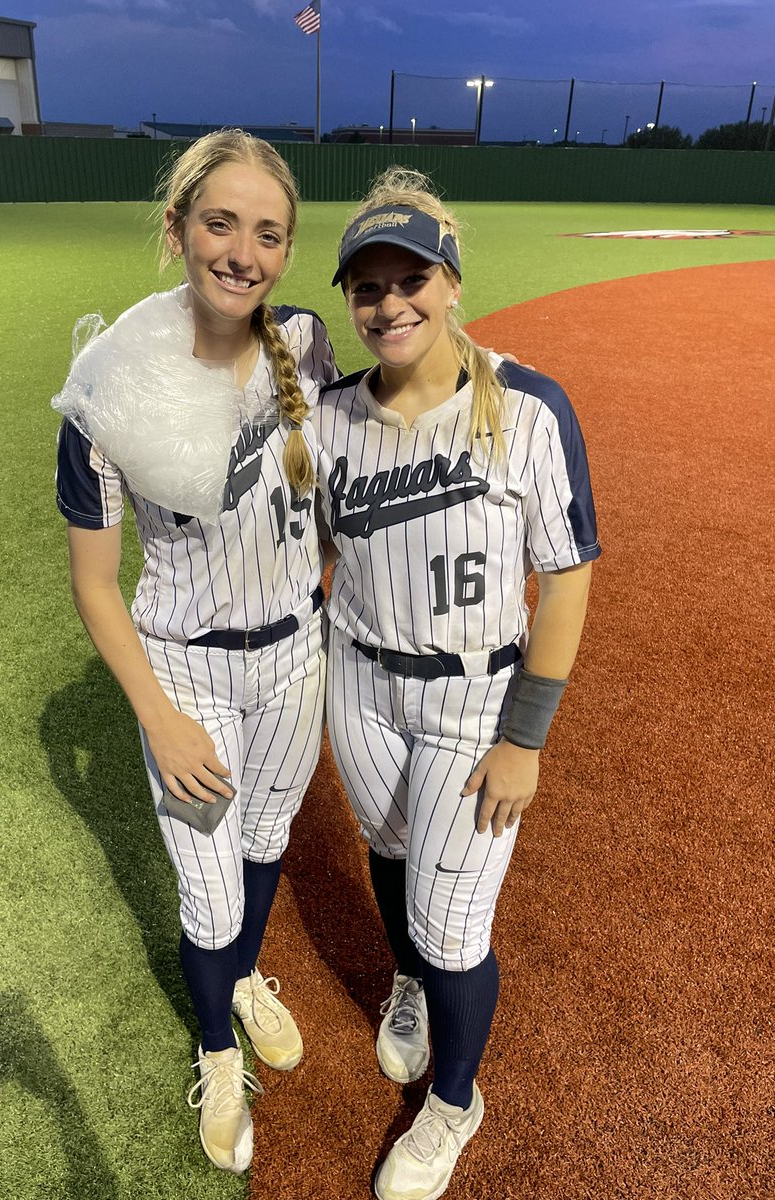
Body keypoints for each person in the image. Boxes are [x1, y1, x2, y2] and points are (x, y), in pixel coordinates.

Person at [53, 129, 337, 1175]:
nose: (244, 251)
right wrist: (157, 717)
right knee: (208, 893)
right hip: (185, 662)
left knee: (264, 839)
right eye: (222, 222)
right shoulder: (108, 381)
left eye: (270, 233)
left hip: (292, 657)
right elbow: (94, 583)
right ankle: (217, 1046)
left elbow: (329, 492)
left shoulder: (304, 342)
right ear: (177, 230)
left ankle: (246, 976)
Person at [313, 167, 600, 1200]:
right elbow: (299, 542)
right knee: (387, 850)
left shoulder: (526, 407)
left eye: (411, 279)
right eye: (368, 286)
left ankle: (453, 1103)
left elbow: (565, 579)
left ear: (451, 282)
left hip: (478, 701)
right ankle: (407, 985)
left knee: (455, 927)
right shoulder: (332, 415)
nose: (390, 304)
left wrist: (526, 738)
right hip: (362, 680)